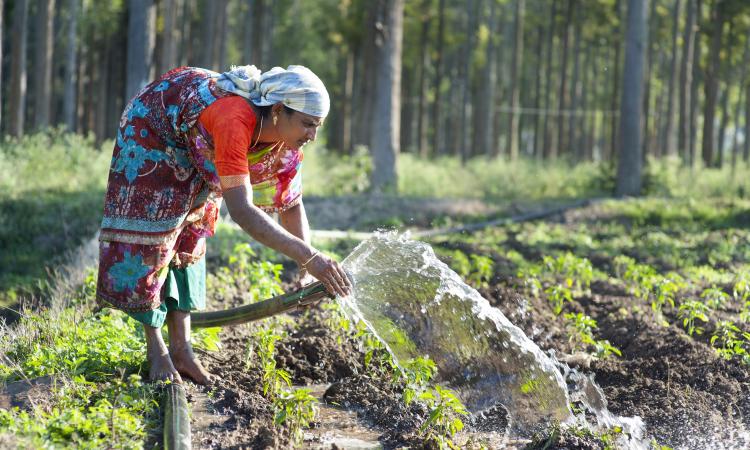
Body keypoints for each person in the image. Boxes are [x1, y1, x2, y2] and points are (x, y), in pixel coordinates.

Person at [95, 65, 352, 385]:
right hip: (156, 129)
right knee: (154, 235)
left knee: (192, 233)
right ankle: (157, 351)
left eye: (318, 127)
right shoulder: (235, 119)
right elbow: (242, 211)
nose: (312, 136)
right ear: (277, 111)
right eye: (307, 124)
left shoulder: (287, 143)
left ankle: (182, 349)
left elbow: (290, 202)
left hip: (200, 139)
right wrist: (310, 257)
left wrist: (304, 268)